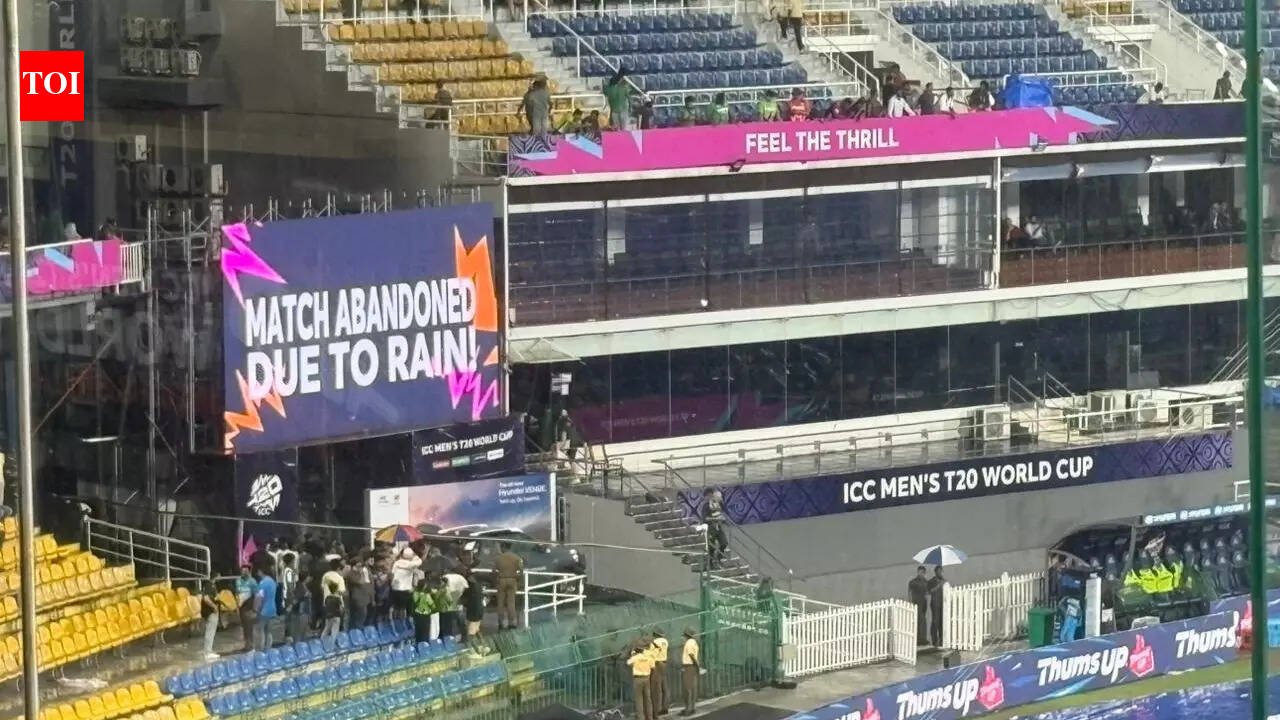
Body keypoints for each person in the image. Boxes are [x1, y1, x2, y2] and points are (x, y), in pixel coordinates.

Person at [494, 542, 524, 630]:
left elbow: (494, 571)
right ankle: (512, 622)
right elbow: (521, 571)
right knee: (511, 602)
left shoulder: (498, 558)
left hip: (501, 580)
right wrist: (517, 578)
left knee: (500, 602)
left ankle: (500, 621)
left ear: (504, 547)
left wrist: (496, 579)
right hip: (512, 580)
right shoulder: (516, 558)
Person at [391, 546, 422, 620]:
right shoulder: (411, 564)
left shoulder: (396, 563)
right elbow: (420, 561)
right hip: (405, 589)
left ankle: (395, 621)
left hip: (395, 588)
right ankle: (402, 622)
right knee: (403, 608)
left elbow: (392, 573)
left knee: (396, 607)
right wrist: (415, 556)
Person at [253, 566, 279, 651]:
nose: (257, 573)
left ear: (261, 571)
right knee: (268, 631)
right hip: (272, 609)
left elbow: (259, 597)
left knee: (259, 630)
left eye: (258, 572)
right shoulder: (272, 581)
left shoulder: (263, 583)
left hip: (264, 610)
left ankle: (259, 650)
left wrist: (255, 609)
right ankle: (268, 649)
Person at [628, 642, 655, 720]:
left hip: (638, 679)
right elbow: (653, 667)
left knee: (639, 699)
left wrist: (632, 655)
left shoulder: (635, 657)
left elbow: (628, 663)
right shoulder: (648, 657)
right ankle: (650, 717)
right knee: (648, 699)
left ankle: (641, 717)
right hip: (646, 678)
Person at [345, 554, 373, 629]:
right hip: (357, 598)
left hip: (363, 597)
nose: (361, 567)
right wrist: (362, 573)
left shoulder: (358, 572)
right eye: (359, 565)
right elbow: (361, 582)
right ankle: (356, 629)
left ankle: (358, 628)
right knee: (361, 615)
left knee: (363, 614)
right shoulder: (351, 574)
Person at [702, 489, 727, 569]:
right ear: (705, 497)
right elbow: (705, 518)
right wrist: (715, 519)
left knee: (724, 543)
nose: (710, 497)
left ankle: (719, 558)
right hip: (710, 528)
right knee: (711, 547)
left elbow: (722, 512)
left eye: (711, 495)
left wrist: (722, 519)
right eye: (708, 496)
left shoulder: (717, 504)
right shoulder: (706, 506)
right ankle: (710, 563)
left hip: (718, 527)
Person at [235, 565, 257, 652]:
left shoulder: (252, 581)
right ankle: (247, 645)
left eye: (246, 571)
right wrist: (237, 607)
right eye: (242, 571)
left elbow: (256, 595)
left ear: (249, 572)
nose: (244, 573)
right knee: (244, 627)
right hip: (241, 608)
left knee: (249, 627)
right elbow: (237, 594)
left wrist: (255, 609)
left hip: (249, 608)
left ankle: (251, 646)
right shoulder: (238, 581)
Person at [442, 569, 468, 640]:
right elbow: (466, 589)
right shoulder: (461, 578)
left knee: (451, 619)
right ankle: (463, 636)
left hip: (452, 598)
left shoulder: (446, 577)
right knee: (458, 618)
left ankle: (451, 636)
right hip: (456, 597)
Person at [411, 577, 438, 643]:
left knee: (418, 631)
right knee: (425, 632)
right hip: (425, 615)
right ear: (424, 586)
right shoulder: (426, 596)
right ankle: (424, 645)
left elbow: (414, 602)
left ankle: (418, 645)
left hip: (417, 615)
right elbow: (433, 606)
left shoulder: (415, 593)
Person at [680, 628, 700, 716]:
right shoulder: (694, 642)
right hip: (692, 666)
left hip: (689, 666)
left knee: (687, 688)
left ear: (686, 635)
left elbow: (691, 655)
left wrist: (696, 665)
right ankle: (692, 707)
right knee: (692, 688)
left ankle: (688, 709)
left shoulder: (689, 643)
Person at [908, 565, 930, 646]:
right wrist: (910, 603)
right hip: (916, 603)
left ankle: (922, 638)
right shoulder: (913, 582)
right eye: (921, 572)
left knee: (922, 620)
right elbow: (910, 592)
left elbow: (928, 592)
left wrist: (927, 593)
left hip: (923, 604)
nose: (922, 574)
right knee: (919, 621)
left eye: (923, 572)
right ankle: (919, 639)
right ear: (918, 572)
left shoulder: (926, 582)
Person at [649, 629, 669, 716]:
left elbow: (651, 655)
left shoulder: (654, 642)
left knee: (656, 688)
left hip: (657, 663)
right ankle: (665, 706)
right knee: (664, 686)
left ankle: (657, 709)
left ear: (654, 634)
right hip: (664, 663)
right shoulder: (665, 641)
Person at [200, 581, 221, 660]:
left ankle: (208, 650)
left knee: (210, 632)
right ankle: (208, 652)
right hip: (211, 612)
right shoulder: (209, 585)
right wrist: (214, 606)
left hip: (210, 611)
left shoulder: (209, 585)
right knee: (210, 632)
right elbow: (206, 598)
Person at [927, 566, 945, 647]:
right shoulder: (931, 581)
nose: (940, 573)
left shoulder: (944, 581)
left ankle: (941, 639)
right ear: (935, 572)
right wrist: (938, 586)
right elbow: (929, 591)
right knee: (935, 621)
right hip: (935, 603)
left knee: (942, 622)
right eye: (938, 571)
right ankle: (934, 640)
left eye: (941, 571)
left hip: (943, 604)